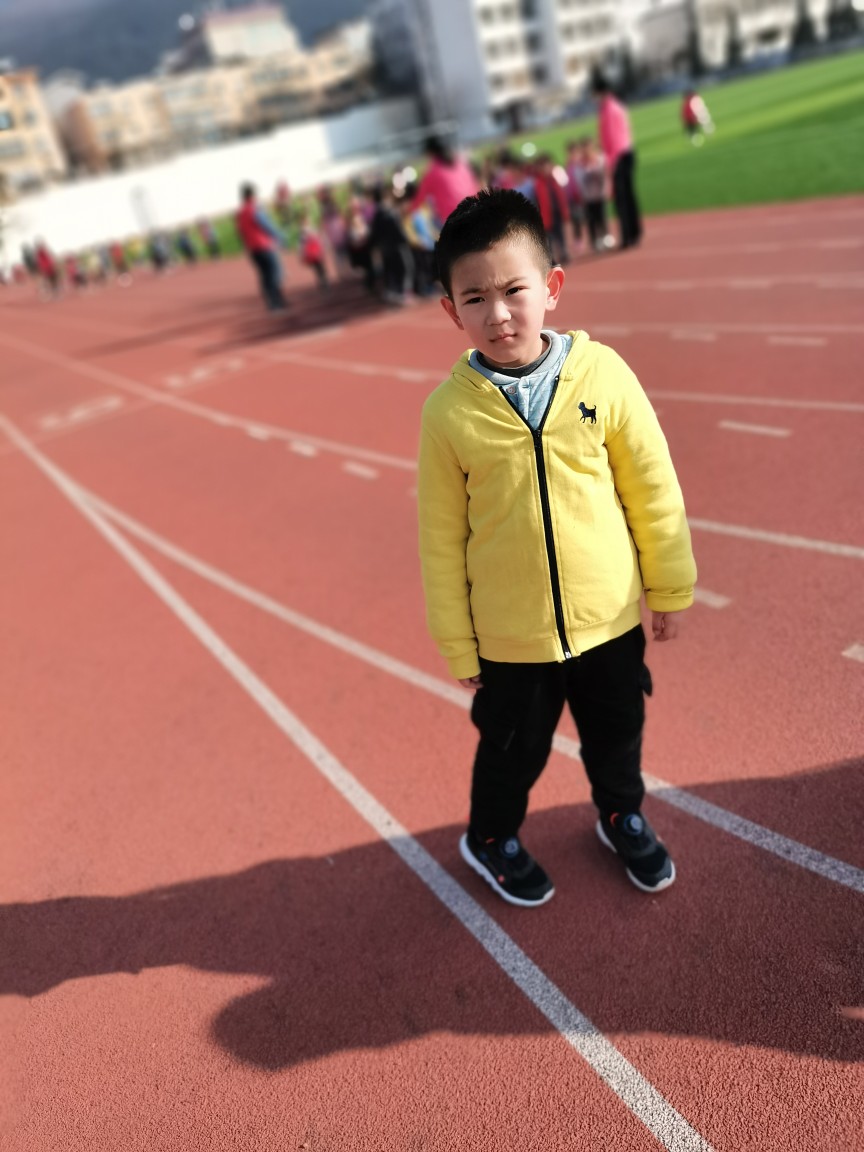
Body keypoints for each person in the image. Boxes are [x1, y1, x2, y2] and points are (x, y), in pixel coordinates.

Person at [417, 189, 696, 907]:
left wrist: (668, 586)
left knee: (618, 733)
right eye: (475, 298)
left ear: (552, 286)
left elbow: (652, 486)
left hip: (609, 621)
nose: (498, 313)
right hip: (513, 641)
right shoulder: (448, 415)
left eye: (514, 290)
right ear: (451, 310)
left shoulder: (603, 375)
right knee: (513, 751)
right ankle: (490, 836)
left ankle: (620, 813)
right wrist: (459, 644)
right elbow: (441, 541)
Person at [592, 74, 642, 250]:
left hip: (618, 156)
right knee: (629, 196)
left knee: (622, 200)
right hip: (626, 152)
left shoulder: (608, 109)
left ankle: (627, 236)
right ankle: (634, 232)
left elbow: (612, 139)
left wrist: (611, 165)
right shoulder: (616, 105)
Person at [235, 182, 288, 312]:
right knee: (274, 274)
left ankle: (272, 303)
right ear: (251, 196)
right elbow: (266, 226)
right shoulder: (255, 209)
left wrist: (247, 246)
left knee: (264, 276)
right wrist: (280, 237)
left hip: (253, 250)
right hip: (264, 246)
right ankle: (277, 303)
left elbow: (241, 232)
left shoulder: (240, 213)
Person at [412, 136, 479, 231]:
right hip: (475, 210)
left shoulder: (433, 172)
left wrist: (408, 211)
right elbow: (475, 186)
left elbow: (419, 198)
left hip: (454, 219)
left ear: (430, 153)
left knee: (433, 221)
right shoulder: (461, 163)